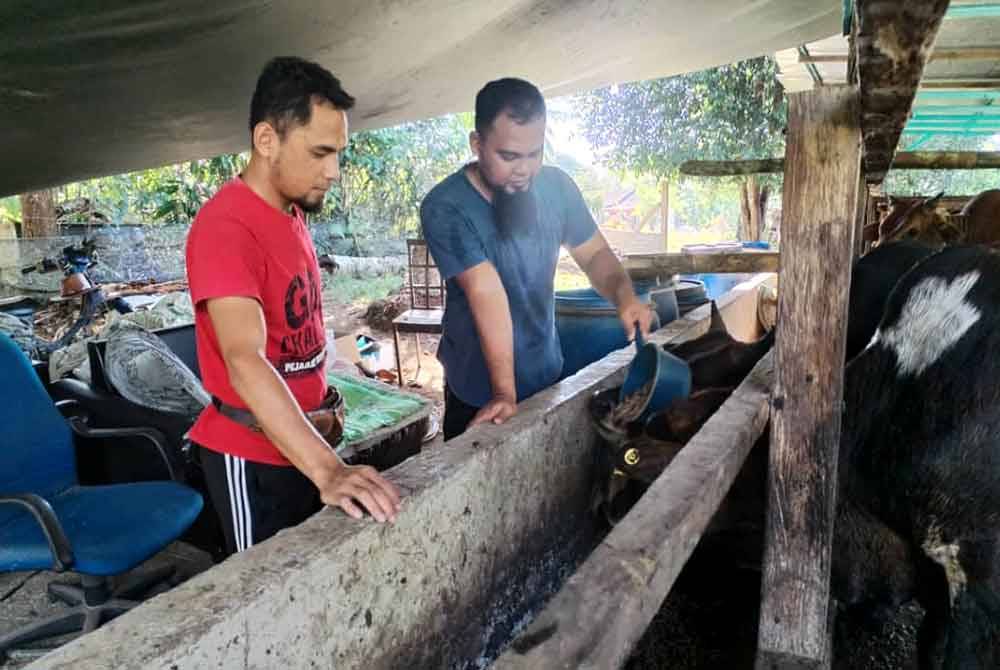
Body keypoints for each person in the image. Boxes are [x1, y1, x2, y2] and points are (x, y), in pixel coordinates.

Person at [185, 57, 401, 557]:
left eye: (338, 154)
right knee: (266, 599)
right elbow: (244, 358)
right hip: (253, 456)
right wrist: (328, 470)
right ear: (267, 140)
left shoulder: (291, 211)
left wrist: (325, 449)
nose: (334, 171)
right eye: (320, 153)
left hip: (308, 442)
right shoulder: (227, 227)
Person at [420, 77, 655, 441]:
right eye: (509, 156)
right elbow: (486, 292)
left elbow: (594, 254)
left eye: (535, 153)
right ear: (477, 144)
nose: (524, 169)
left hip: (546, 377)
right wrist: (504, 393)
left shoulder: (557, 188)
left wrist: (625, 297)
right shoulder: (446, 207)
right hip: (479, 393)